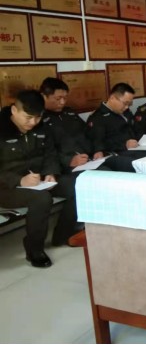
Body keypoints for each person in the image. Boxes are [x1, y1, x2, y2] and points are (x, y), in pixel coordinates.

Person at [0, 90, 79, 267]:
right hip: (7, 187)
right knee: (42, 199)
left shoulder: (41, 127)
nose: (33, 122)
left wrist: (51, 173)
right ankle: (35, 249)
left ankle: (63, 235)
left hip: (39, 180)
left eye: (37, 117)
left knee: (78, 185)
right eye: (28, 117)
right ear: (14, 110)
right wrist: (19, 180)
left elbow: (50, 154)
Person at [40, 78, 136, 173]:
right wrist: (68, 161)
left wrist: (98, 150)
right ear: (44, 96)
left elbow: (88, 134)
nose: (62, 102)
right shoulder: (39, 120)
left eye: (65, 98)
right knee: (107, 174)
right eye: (58, 98)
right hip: (68, 166)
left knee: (129, 165)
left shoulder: (69, 113)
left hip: (91, 158)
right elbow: (45, 152)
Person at [86, 83, 146, 167]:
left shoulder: (126, 112)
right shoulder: (98, 117)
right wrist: (124, 145)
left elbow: (135, 128)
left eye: (129, 104)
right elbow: (98, 144)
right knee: (144, 163)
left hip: (135, 148)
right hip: (117, 153)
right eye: (125, 103)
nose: (127, 107)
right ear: (112, 98)